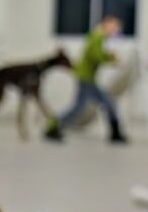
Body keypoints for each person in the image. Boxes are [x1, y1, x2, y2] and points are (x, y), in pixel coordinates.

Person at [45, 14, 127, 144]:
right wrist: (111, 58)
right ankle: (53, 126)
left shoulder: (97, 36)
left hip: (86, 77)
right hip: (86, 78)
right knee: (100, 104)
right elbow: (95, 56)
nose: (116, 31)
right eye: (115, 27)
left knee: (88, 105)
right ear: (108, 24)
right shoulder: (97, 36)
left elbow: (96, 54)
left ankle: (53, 126)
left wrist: (108, 57)